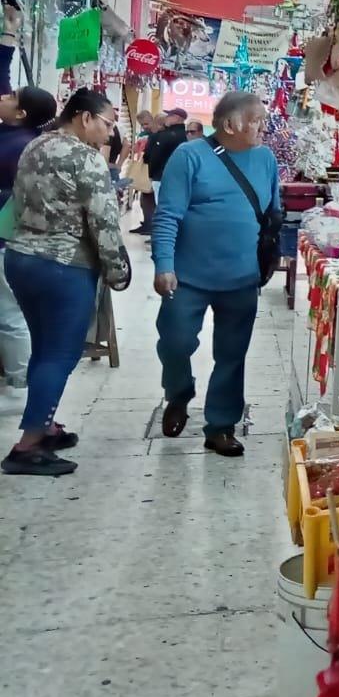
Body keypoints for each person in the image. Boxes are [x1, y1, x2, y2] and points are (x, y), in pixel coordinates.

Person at [2, 89, 130, 476]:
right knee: (61, 353)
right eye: (107, 123)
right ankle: (28, 446)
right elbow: (104, 221)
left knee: (44, 348)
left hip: (21, 257)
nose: (110, 133)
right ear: (84, 117)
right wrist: (118, 271)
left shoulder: (33, 146)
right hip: (64, 266)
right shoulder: (86, 158)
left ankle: (45, 424)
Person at [154, 91, 280, 458]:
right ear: (229, 124)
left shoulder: (266, 158)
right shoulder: (189, 156)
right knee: (175, 343)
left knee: (232, 354)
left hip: (241, 278)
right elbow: (167, 215)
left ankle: (221, 426)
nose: (263, 126)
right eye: (256, 120)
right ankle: (178, 393)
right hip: (187, 277)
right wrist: (164, 265)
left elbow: (272, 213)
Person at [0, 7, 56, 391]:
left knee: (9, 312)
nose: (4, 96)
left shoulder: (20, 147)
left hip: (8, 240)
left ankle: (20, 382)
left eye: (12, 97)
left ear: (20, 112)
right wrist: (9, 34)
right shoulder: (17, 134)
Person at [138, 108, 189, 238]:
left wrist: (151, 174)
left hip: (161, 177)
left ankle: (162, 236)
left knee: (162, 208)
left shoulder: (166, 136)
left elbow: (155, 156)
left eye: (170, 115)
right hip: (178, 178)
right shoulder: (185, 136)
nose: (167, 117)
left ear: (177, 118)